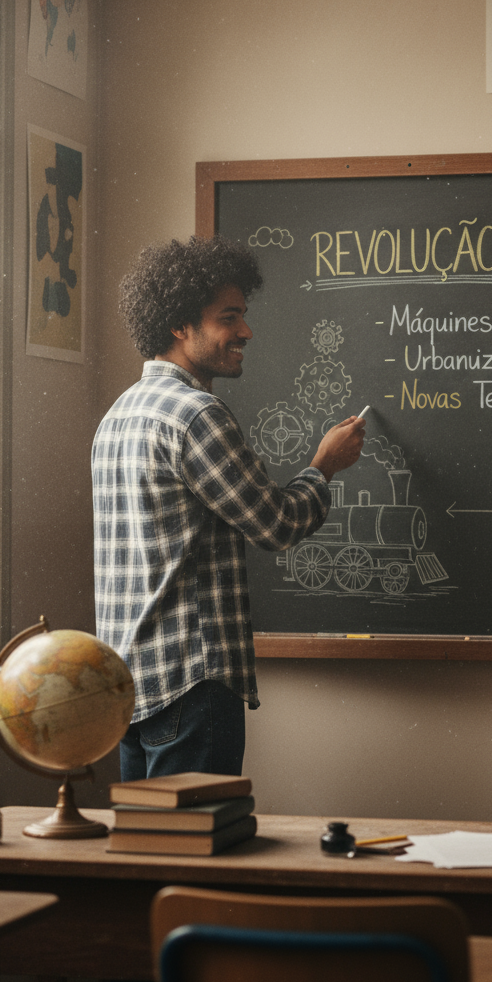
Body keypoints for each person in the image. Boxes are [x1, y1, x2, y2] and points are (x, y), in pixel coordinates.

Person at [92, 234, 364, 783]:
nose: (245, 331)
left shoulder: (118, 414)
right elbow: (277, 524)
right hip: (189, 684)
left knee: (151, 855)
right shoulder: (196, 415)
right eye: (229, 317)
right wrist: (324, 465)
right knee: (198, 854)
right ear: (179, 324)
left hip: (127, 687)